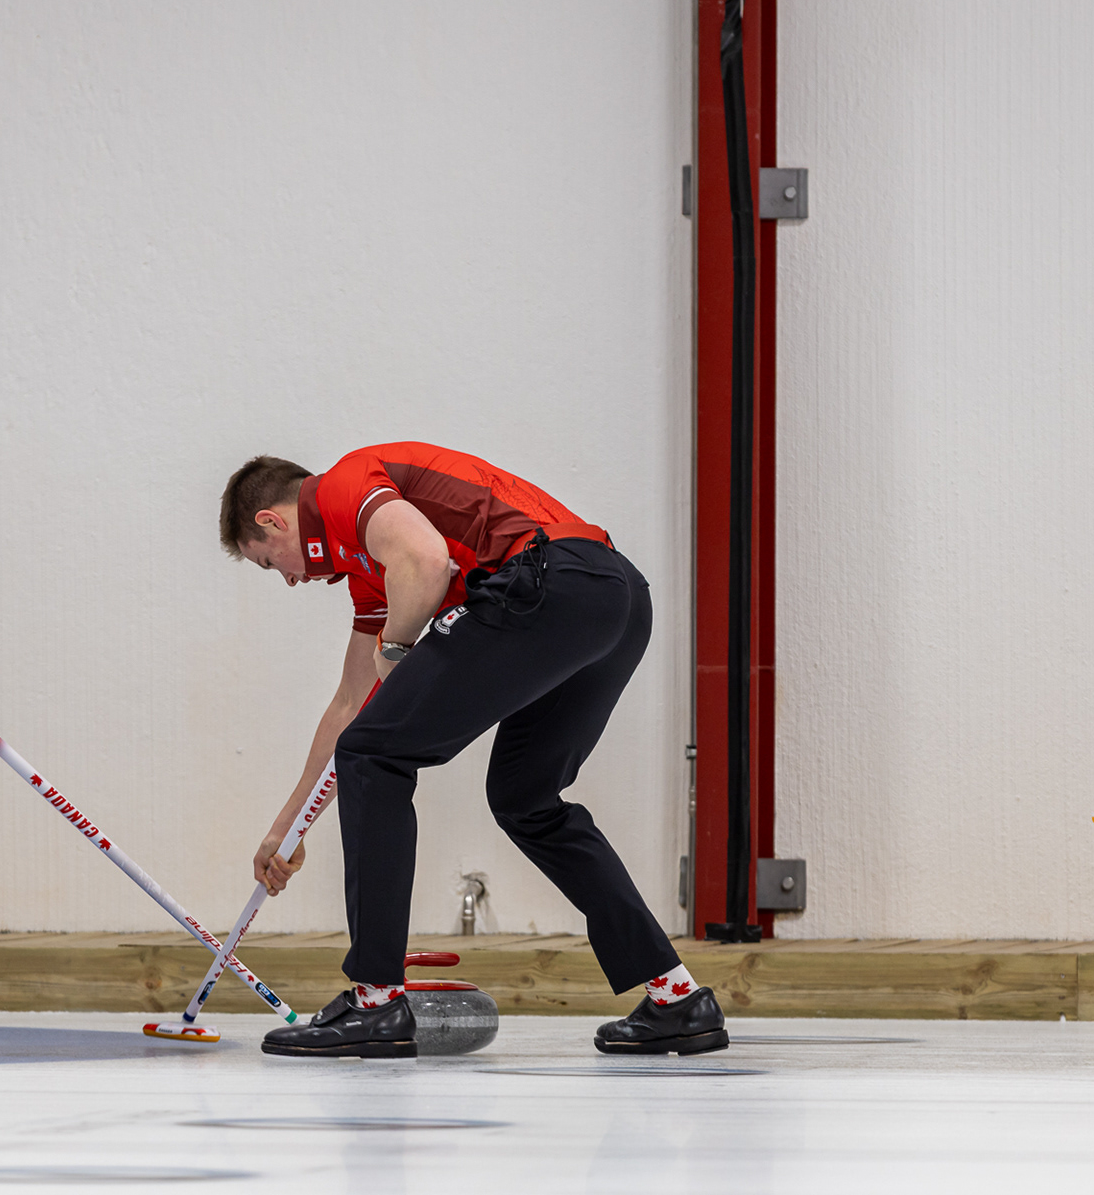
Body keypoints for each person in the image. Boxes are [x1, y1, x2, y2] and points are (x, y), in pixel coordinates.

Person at [220, 442, 727, 1057]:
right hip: (613, 597)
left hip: (553, 581)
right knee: (525, 798)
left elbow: (426, 559)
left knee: (374, 757)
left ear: (272, 521)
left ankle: (376, 1003)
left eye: (269, 563)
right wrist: (289, 827)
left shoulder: (342, 487)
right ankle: (678, 998)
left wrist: (398, 650)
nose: (291, 579)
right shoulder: (369, 573)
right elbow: (351, 705)